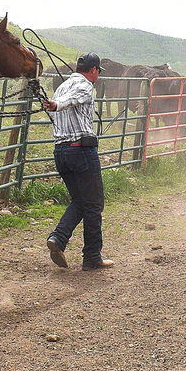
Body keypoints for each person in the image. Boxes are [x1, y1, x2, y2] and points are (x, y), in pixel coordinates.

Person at [42, 52, 114, 271]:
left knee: (80, 200)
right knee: (94, 203)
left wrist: (56, 103)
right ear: (93, 70)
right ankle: (92, 256)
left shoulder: (61, 86)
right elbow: (72, 100)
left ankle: (58, 238)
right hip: (80, 151)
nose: (98, 76)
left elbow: (64, 101)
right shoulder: (84, 86)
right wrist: (56, 105)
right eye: (98, 72)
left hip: (61, 152)